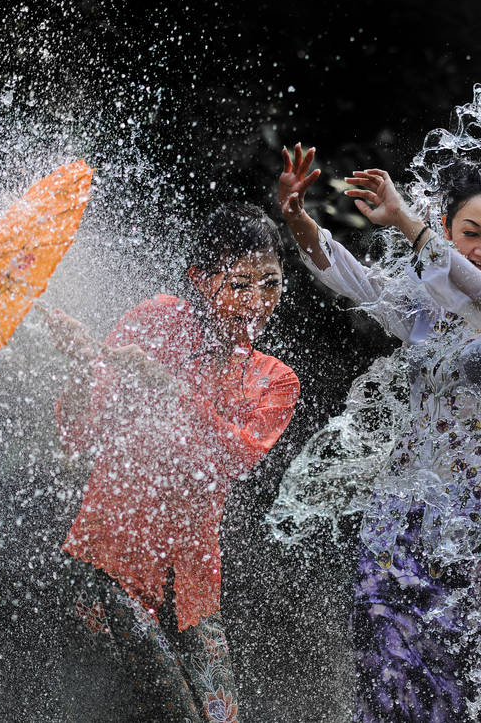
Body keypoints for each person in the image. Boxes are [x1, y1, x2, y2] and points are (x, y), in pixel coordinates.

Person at [278, 144, 481, 721]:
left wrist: (409, 223)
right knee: (385, 677)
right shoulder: (428, 305)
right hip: (398, 519)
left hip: (479, 525)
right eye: (469, 233)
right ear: (449, 231)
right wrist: (298, 218)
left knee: (468, 697)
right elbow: (354, 280)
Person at [47, 202, 300, 722]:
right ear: (200, 280)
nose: (256, 303)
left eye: (270, 284)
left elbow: (234, 457)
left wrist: (168, 388)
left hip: (192, 581)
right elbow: (83, 429)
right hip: (110, 559)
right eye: (239, 285)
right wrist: (79, 367)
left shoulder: (275, 380)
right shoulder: (156, 320)